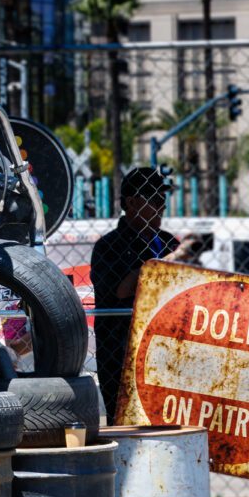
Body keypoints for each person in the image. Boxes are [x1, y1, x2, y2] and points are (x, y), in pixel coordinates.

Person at [90, 168, 201, 423]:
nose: (162, 207)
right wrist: (165, 263)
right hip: (121, 352)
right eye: (155, 200)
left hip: (167, 348)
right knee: (126, 422)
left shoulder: (168, 241)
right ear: (131, 203)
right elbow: (120, 290)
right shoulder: (110, 245)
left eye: (164, 200)